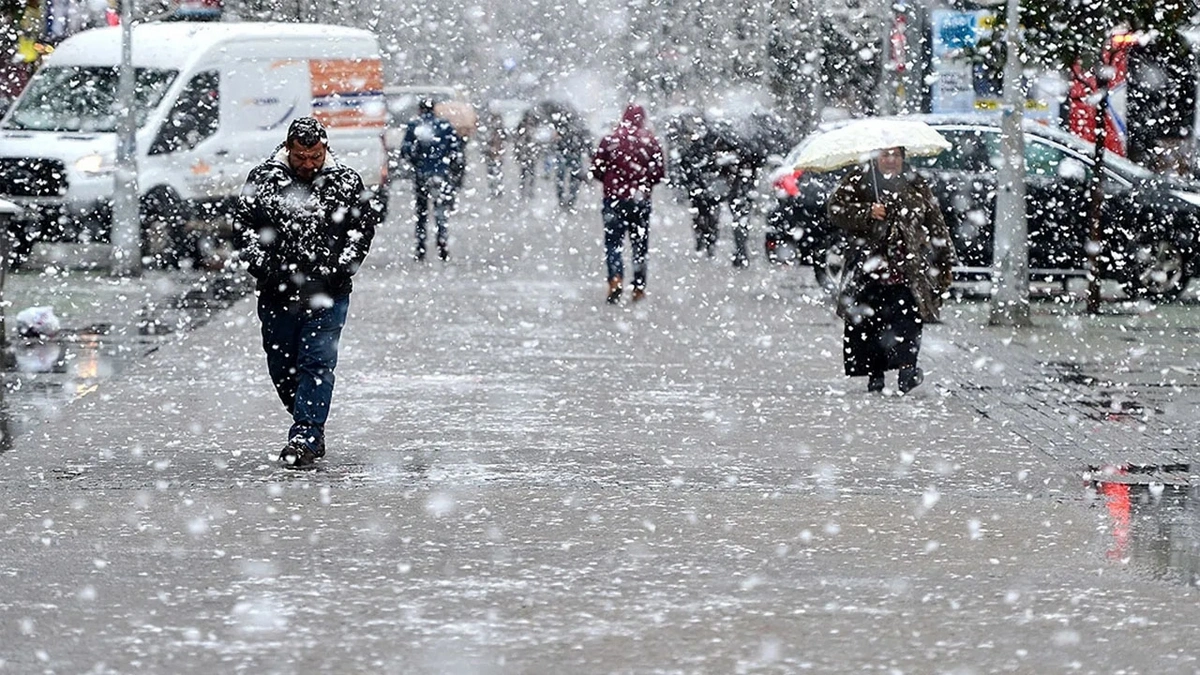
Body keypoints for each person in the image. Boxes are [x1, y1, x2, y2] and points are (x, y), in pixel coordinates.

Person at [235, 116, 383, 467]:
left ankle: (306, 434)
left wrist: (339, 270)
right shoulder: (263, 180)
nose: (308, 164)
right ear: (288, 150)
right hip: (278, 293)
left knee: (317, 363)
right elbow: (243, 228)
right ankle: (305, 416)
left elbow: (361, 230)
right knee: (282, 366)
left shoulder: (346, 182)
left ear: (325, 149)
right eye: (301, 157)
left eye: (314, 156)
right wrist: (265, 269)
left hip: (327, 294)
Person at [827, 146, 957, 394]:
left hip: (907, 268)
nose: (890, 160)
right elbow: (836, 210)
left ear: (902, 158)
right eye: (885, 155)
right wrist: (867, 212)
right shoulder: (859, 179)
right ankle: (875, 374)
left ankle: (907, 370)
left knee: (908, 320)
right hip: (869, 268)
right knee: (871, 322)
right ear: (876, 157)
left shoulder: (915, 183)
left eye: (895, 155)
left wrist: (944, 260)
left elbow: (935, 222)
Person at [590, 103, 666, 304]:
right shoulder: (650, 141)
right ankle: (639, 287)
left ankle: (615, 278)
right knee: (639, 245)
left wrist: (610, 182)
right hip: (640, 201)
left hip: (614, 199)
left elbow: (597, 168)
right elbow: (659, 173)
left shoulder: (610, 139)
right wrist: (643, 184)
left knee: (613, 243)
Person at [400, 98, 465, 261]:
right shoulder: (445, 126)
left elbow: (406, 150)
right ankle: (442, 244)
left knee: (422, 212)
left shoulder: (415, 126)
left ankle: (421, 247)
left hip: (421, 174)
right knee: (440, 211)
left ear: (420, 110)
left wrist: (416, 161)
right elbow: (456, 150)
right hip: (441, 174)